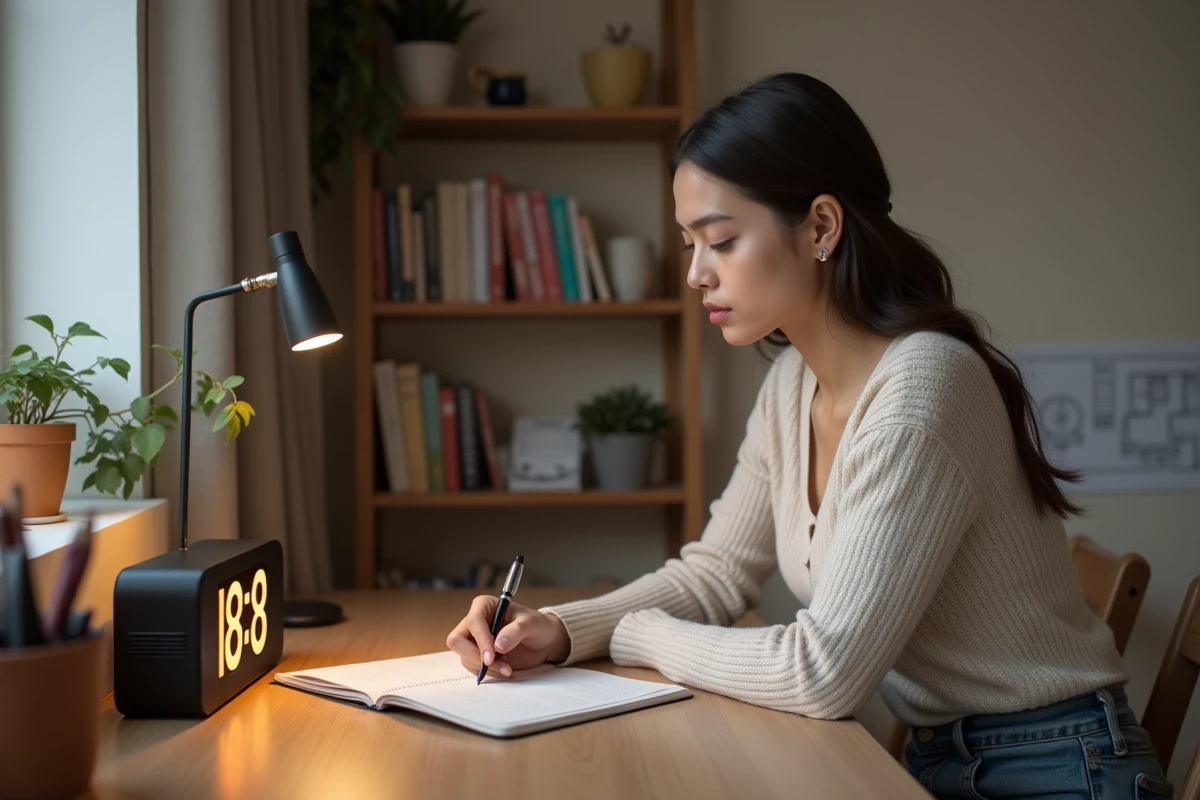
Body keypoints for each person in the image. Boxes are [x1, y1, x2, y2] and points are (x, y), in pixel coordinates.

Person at [446, 72, 1174, 799]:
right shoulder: (793, 383)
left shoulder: (925, 390)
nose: (697, 274)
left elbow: (822, 673)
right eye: (688, 245)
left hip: (1061, 769)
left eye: (721, 241)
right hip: (945, 761)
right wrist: (558, 630)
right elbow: (717, 574)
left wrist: (635, 633)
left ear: (822, 227)